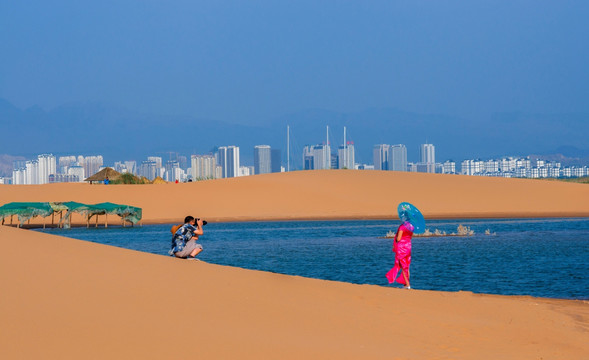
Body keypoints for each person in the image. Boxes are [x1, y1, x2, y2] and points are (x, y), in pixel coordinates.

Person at [386, 216, 414, 289]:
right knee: (406, 266)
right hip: (408, 246)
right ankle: (406, 284)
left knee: (403, 266)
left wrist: (397, 233)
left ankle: (407, 285)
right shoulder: (411, 227)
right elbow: (410, 237)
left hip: (402, 248)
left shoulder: (402, 227)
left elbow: (398, 238)